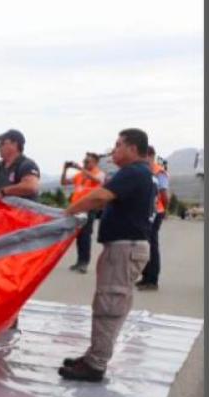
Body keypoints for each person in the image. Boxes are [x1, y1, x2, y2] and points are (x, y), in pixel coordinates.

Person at [58, 128, 156, 382]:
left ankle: (95, 365)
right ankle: (94, 356)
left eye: (118, 145)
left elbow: (100, 196)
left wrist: (67, 213)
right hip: (124, 248)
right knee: (111, 302)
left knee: (109, 304)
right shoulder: (136, 173)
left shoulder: (134, 172)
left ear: (133, 149)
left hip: (125, 248)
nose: (114, 150)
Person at [60, 153, 105, 273]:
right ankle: (79, 261)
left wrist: (81, 168)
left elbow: (97, 180)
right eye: (84, 161)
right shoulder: (80, 175)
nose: (85, 163)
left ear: (95, 162)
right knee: (79, 236)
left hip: (89, 208)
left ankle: (84, 263)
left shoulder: (98, 173)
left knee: (85, 236)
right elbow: (64, 182)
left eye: (87, 161)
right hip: (77, 208)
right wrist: (65, 169)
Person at [137, 146, 169, 291]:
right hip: (145, 212)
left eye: (142, 155)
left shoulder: (159, 172)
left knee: (152, 246)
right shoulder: (143, 171)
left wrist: (165, 209)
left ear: (150, 155)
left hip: (156, 212)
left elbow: (164, 194)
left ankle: (152, 280)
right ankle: (145, 277)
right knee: (144, 245)